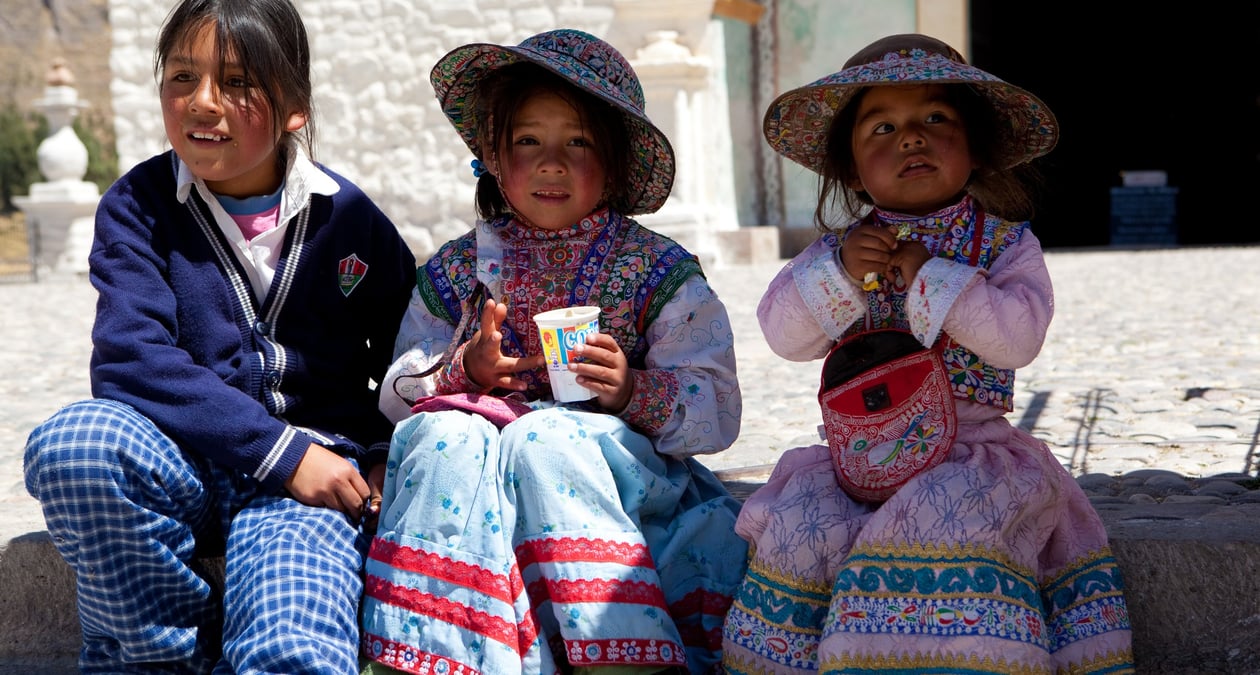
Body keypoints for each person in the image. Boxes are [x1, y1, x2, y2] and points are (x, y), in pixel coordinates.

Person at [720, 34, 1135, 674]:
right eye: (882, 127)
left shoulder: (1003, 247)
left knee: (947, 523)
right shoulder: (838, 251)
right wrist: (834, 273)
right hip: (854, 460)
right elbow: (784, 336)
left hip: (972, 453)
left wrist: (933, 278)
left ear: (975, 148)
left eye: (935, 119)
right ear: (853, 170)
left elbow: (1017, 338)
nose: (910, 138)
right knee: (804, 525)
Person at [22, 0, 417, 671]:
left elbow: (411, 352)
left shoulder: (350, 222)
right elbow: (130, 360)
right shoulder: (138, 206)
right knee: (75, 445)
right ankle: (164, 656)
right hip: (185, 467)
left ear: (294, 106)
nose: (202, 103)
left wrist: (378, 453)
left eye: (237, 83)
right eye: (182, 78)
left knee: (288, 649)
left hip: (306, 487)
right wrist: (277, 448)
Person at [358, 29, 747, 675]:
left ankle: (617, 651)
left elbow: (718, 406)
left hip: (609, 468)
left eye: (578, 142)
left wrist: (630, 390)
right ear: (492, 155)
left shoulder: (656, 270)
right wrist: (463, 370)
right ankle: (428, 652)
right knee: (440, 436)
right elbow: (396, 392)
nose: (551, 163)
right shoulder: (457, 270)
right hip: (481, 467)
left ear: (617, 163)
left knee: (549, 441)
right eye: (528, 141)